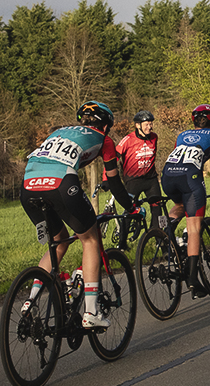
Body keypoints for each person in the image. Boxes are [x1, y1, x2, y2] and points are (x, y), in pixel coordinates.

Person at [21, 101, 132, 328]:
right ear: (106, 126)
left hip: (28, 187)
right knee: (90, 239)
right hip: (60, 184)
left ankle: (30, 303)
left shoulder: (58, 132)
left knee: (59, 241)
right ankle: (91, 312)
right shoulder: (104, 139)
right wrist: (131, 207)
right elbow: (114, 181)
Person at [161, 103, 210, 299]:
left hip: (167, 176)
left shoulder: (182, 135)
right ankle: (192, 279)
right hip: (190, 179)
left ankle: (165, 234)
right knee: (194, 228)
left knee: (179, 205)